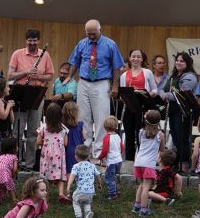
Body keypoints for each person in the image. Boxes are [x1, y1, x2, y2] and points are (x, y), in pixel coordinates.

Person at [67, 19, 124, 158]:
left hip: (101, 82)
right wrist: (69, 77)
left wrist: (115, 86)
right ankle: (84, 151)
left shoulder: (110, 44)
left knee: (101, 117)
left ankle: (99, 152)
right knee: (82, 116)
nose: (91, 36)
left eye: (93, 33)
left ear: (100, 30)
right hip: (84, 82)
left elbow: (117, 67)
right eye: (88, 34)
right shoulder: (82, 43)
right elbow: (75, 62)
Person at [8, 29, 54, 171]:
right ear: (26, 40)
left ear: (38, 41)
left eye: (35, 40)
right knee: (17, 131)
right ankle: (15, 162)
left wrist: (37, 77)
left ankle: (29, 165)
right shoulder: (17, 54)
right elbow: (10, 76)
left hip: (36, 94)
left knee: (33, 131)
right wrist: (27, 72)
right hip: (20, 93)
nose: (32, 43)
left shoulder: (44, 55)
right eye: (30, 40)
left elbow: (49, 76)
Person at [161, 52, 198, 172]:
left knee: (183, 139)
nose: (178, 62)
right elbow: (162, 88)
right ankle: (178, 164)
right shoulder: (173, 75)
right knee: (176, 138)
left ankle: (184, 165)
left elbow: (182, 94)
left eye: (182, 61)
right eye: (177, 60)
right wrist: (163, 94)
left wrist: (166, 95)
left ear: (187, 63)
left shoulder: (190, 76)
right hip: (172, 111)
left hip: (183, 112)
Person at [120, 49, 157, 161]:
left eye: (138, 57)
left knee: (141, 135)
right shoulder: (124, 75)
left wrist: (148, 95)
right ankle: (130, 161)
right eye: (133, 56)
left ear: (142, 59)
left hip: (143, 107)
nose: (135, 59)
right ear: (130, 58)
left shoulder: (147, 72)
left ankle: (142, 161)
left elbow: (154, 89)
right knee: (129, 135)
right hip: (129, 108)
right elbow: (122, 92)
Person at [132, 110, 165, 217]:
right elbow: (162, 149)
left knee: (141, 184)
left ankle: (136, 206)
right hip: (149, 164)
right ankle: (144, 209)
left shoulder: (141, 132)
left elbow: (141, 145)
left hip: (138, 162)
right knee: (146, 187)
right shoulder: (160, 135)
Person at [36, 102, 70, 204]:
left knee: (46, 175)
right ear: (60, 116)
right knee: (60, 175)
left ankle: (45, 195)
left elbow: (38, 141)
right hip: (59, 156)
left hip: (46, 155)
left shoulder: (43, 127)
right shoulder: (63, 128)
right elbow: (66, 143)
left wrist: (45, 142)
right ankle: (60, 193)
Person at [67, 144, 102, 218]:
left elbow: (72, 176)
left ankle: (78, 217)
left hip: (80, 191)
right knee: (86, 202)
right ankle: (87, 213)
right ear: (88, 156)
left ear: (76, 156)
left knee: (76, 202)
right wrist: (99, 184)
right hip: (91, 191)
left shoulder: (76, 166)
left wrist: (68, 185)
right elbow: (98, 175)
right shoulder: (92, 166)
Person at [97, 116, 124, 200]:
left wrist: (100, 157)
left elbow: (105, 150)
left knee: (108, 178)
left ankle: (112, 194)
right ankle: (116, 190)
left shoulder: (107, 137)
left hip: (112, 162)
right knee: (113, 176)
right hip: (119, 160)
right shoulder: (117, 136)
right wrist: (118, 155)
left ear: (105, 127)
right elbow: (122, 148)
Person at [62, 101, 86, 177]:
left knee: (69, 168)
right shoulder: (80, 124)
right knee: (81, 165)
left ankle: (69, 182)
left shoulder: (63, 126)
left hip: (68, 149)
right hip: (79, 148)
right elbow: (85, 137)